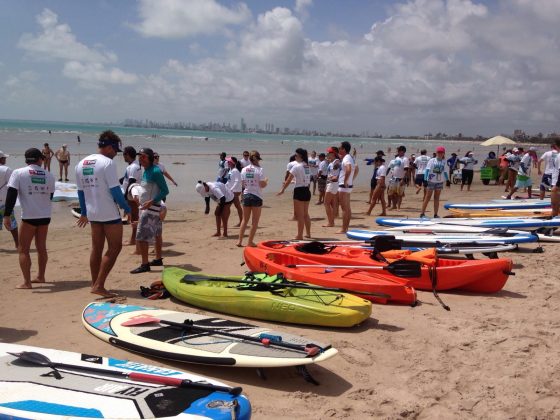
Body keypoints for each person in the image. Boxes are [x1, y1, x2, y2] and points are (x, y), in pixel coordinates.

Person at [75, 131, 131, 297]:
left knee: (96, 248)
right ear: (109, 147)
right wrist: (127, 208)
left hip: (93, 213)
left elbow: (80, 192)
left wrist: (84, 212)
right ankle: (99, 285)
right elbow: (115, 190)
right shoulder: (107, 163)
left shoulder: (81, 163)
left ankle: (95, 283)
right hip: (108, 212)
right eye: (115, 151)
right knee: (115, 248)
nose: (115, 155)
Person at [3, 148, 55, 289]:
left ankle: (27, 282)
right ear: (40, 159)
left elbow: (11, 195)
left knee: (23, 249)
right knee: (41, 247)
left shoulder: (18, 173)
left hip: (29, 217)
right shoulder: (49, 175)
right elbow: (50, 197)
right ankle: (41, 276)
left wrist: (6, 215)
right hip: (45, 216)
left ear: (26, 160)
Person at [130, 148, 169, 274]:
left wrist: (151, 201)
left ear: (150, 158)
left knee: (141, 238)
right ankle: (157, 260)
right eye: (139, 156)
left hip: (151, 209)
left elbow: (165, 191)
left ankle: (145, 264)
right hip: (151, 209)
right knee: (157, 234)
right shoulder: (146, 170)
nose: (140, 158)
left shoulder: (156, 171)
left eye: (143, 156)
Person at [278, 148, 311, 240]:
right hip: (306, 190)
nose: (295, 157)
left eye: (296, 155)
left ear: (300, 156)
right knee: (305, 214)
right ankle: (308, 233)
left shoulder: (296, 166)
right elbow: (308, 180)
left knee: (300, 215)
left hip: (299, 190)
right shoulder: (307, 166)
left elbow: (288, 180)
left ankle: (299, 235)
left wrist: (282, 190)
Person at [237, 150, 268, 247]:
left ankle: (239, 241)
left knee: (244, 220)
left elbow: (242, 184)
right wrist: (266, 181)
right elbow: (262, 185)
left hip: (246, 195)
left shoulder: (244, 169)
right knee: (254, 222)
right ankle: (250, 242)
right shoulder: (260, 170)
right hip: (256, 196)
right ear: (257, 159)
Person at [121, 146, 142, 247]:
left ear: (128, 154)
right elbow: (127, 178)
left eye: (124, 154)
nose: (123, 156)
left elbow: (132, 181)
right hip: (130, 195)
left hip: (133, 196)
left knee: (134, 217)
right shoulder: (132, 166)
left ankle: (133, 240)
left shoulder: (133, 167)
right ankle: (134, 238)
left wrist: (124, 197)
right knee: (132, 217)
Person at [420, 146, 449, 218]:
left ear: (443, 153)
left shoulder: (444, 162)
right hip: (431, 181)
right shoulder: (432, 160)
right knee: (427, 197)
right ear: (436, 153)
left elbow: (445, 172)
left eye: (441, 152)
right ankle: (422, 213)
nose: (440, 154)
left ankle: (435, 214)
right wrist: (425, 179)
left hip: (439, 182)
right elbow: (427, 170)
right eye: (438, 152)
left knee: (437, 198)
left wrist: (447, 180)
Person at [0, 151, 18, 248]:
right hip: (4, 201)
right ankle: (17, 244)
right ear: (1, 159)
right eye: (4, 158)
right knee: (12, 224)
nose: (5, 159)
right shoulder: (6, 169)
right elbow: (13, 185)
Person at [337, 141, 356, 233]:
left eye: (340, 148)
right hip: (348, 185)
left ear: (344, 149)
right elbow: (355, 169)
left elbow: (348, 169)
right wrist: (351, 180)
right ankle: (346, 228)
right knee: (347, 208)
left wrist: (345, 180)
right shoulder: (349, 157)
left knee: (344, 208)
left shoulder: (346, 158)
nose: (339, 149)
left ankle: (343, 229)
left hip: (344, 186)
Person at [387, 145, 409, 210]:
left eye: (399, 150)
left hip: (400, 179)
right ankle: (394, 206)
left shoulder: (405, 159)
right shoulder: (397, 158)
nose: (398, 151)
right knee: (392, 193)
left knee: (400, 194)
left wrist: (403, 179)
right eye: (398, 150)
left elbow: (406, 169)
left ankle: (398, 207)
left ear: (403, 151)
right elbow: (394, 168)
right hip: (394, 178)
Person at [323, 147, 340, 227]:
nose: (327, 154)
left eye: (329, 153)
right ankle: (332, 221)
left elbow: (340, 167)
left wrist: (337, 177)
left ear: (333, 154)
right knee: (331, 203)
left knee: (326, 203)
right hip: (331, 183)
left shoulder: (336, 161)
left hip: (333, 183)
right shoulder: (331, 162)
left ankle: (331, 222)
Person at [225, 156, 243, 226]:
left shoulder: (235, 171)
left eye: (229, 161)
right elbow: (229, 181)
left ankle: (241, 222)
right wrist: (224, 186)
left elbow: (237, 181)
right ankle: (241, 221)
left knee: (227, 207)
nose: (228, 162)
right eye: (228, 161)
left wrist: (231, 189)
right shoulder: (230, 170)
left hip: (235, 191)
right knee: (237, 206)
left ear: (233, 163)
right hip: (231, 191)